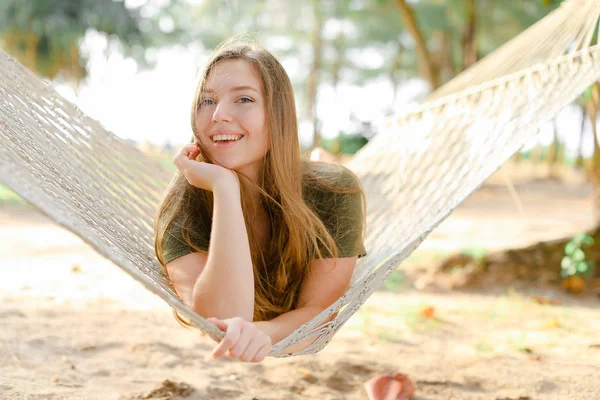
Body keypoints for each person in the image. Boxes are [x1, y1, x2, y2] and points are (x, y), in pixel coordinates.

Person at [153, 38, 366, 363]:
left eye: (243, 99)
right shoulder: (182, 209)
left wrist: (265, 333)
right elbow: (218, 321)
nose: (219, 115)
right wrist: (225, 189)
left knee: (328, 174)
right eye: (206, 102)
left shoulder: (332, 193)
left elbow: (319, 310)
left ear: (277, 114)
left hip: (310, 185)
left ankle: (323, 157)